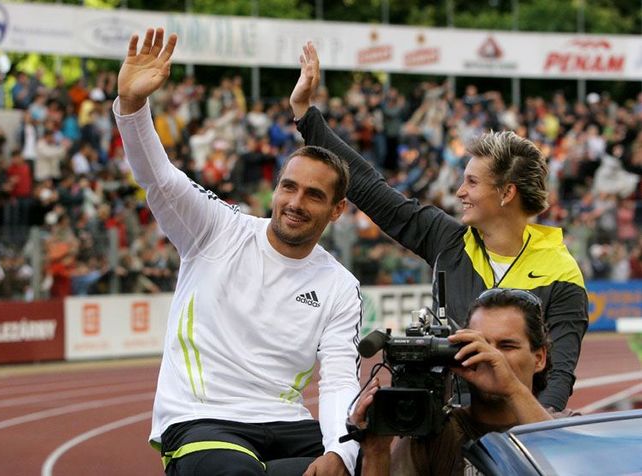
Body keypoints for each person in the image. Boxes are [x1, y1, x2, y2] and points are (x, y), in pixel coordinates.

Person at [289, 43, 588, 412]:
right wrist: (305, 115)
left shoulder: (562, 273)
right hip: (446, 422)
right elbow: (368, 186)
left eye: (473, 183)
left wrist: (527, 440)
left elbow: (558, 378)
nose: (460, 192)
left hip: (517, 431)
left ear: (507, 192)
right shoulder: (447, 239)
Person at [115, 29, 361, 476]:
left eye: (313, 195)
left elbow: (341, 378)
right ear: (275, 188)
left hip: (286, 423)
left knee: (375, 463)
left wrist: (339, 454)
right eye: (288, 187)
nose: (295, 203)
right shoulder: (216, 228)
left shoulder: (341, 286)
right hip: (202, 418)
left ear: (337, 210)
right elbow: (159, 178)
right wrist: (132, 107)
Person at [352, 288, 554, 476]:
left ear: (539, 358)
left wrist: (512, 389)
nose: (491, 356)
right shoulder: (435, 433)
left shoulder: (568, 426)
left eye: (507, 346)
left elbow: (562, 459)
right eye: (479, 345)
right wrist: (376, 454)